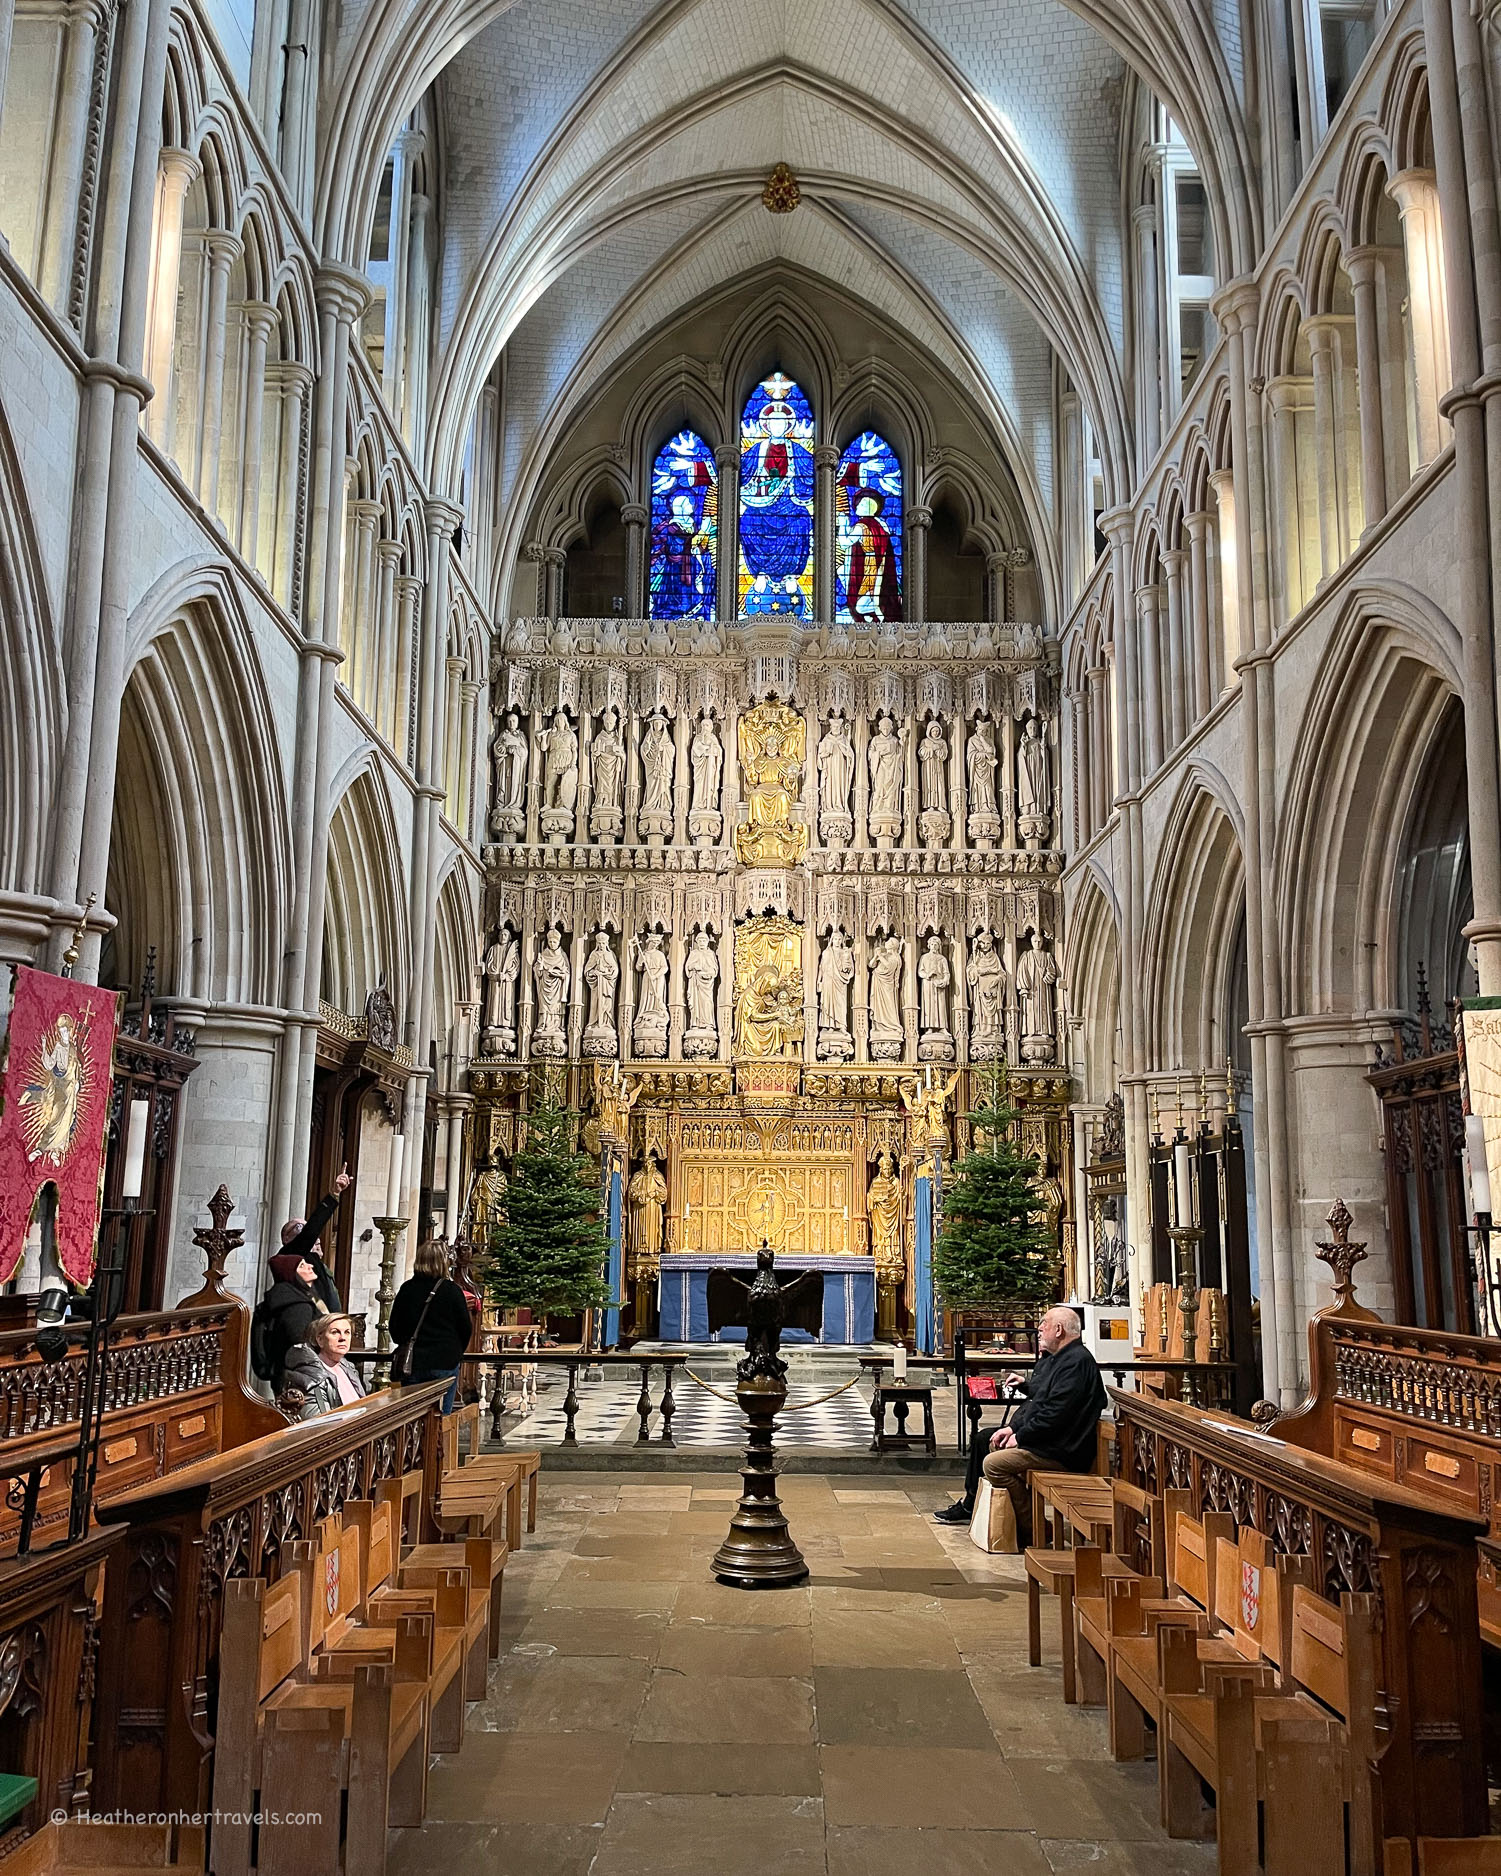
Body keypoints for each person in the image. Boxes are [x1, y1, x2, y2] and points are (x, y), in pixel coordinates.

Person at [933, 1306, 1107, 1538]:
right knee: (991, 1441)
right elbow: (1043, 1399)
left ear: (1058, 1329)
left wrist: (1021, 1437)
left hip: (1062, 1450)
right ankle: (995, 1516)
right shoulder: (1061, 1359)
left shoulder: (1075, 1362)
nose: (1039, 1329)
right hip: (1051, 1441)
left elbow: (1056, 1413)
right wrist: (1014, 1428)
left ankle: (1034, 1531)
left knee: (994, 1464)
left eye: (1044, 1324)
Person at [389, 1240, 475, 1414]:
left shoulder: (407, 1289)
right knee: (441, 1415)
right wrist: (455, 1352)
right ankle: (437, 1441)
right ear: (443, 1262)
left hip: (413, 1363)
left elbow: (395, 1328)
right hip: (445, 1361)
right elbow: (465, 1328)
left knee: (412, 1415)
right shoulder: (452, 1290)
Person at [277, 1166, 352, 1310]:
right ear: (286, 1238)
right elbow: (311, 1231)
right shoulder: (288, 1257)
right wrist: (334, 1194)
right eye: (298, 1228)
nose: (315, 1240)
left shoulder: (314, 1260)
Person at [257, 1251, 331, 1390]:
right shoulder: (296, 1305)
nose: (310, 1266)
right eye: (302, 1266)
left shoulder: (303, 1296)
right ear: (291, 1274)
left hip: (300, 1374)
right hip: (302, 1378)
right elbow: (300, 1346)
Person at [281, 1314, 366, 1419]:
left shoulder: (348, 1367)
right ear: (320, 1340)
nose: (343, 1338)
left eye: (347, 1332)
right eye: (335, 1332)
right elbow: (321, 1423)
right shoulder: (311, 1376)